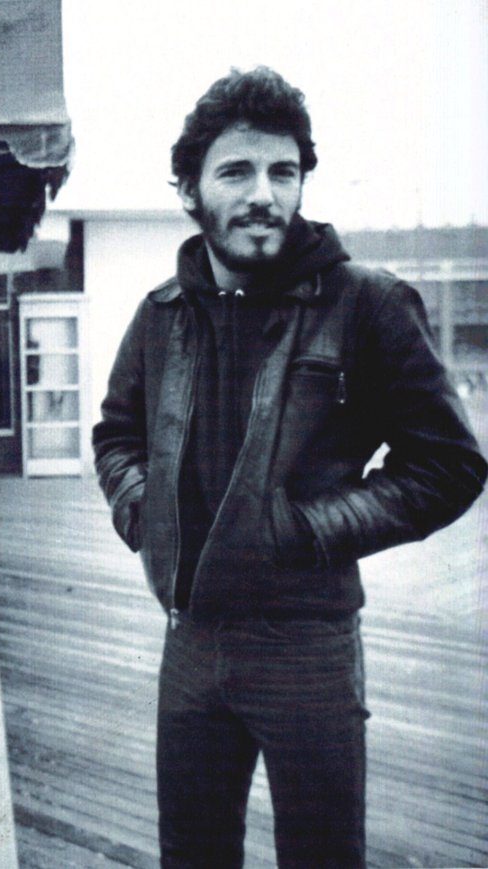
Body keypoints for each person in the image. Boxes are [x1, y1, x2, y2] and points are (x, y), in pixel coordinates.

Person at [92, 66, 486, 868]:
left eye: (283, 171)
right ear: (189, 190)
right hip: (190, 638)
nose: (263, 194)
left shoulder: (367, 303)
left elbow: (448, 463)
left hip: (307, 642)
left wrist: (305, 528)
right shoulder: (162, 315)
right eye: (236, 171)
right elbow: (116, 435)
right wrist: (144, 512)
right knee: (192, 855)